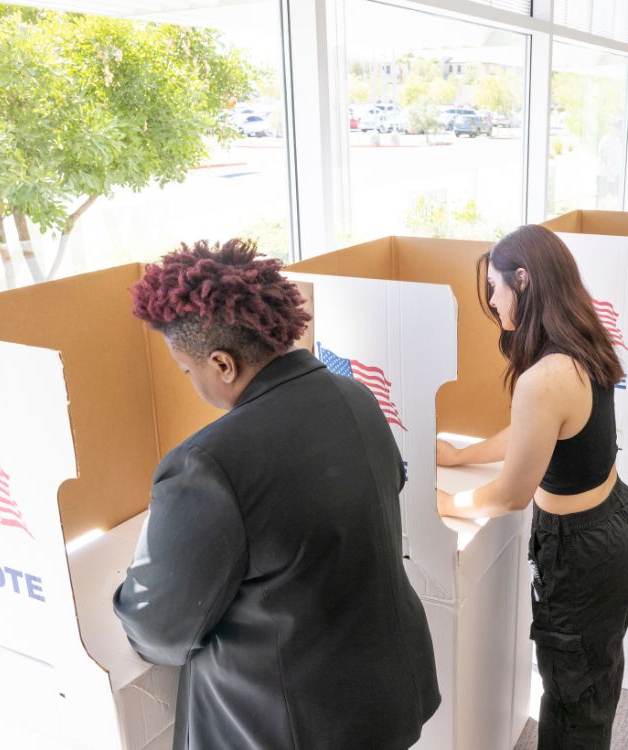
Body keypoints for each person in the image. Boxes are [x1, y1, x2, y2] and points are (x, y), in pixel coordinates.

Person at [113, 239, 440, 750]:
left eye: (186, 369)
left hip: (299, 725)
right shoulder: (355, 395)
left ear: (222, 364)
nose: (189, 380)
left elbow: (159, 631)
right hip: (388, 689)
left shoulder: (208, 464)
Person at [435, 224, 628, 749]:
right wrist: (463, 456)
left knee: (571, 699)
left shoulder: (544, 376)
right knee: (593, 675)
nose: (492, 301)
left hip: (581, 547)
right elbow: (535, 431)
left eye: (495, 287)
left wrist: (449, 503)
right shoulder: (581, 339)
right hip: (618, 517)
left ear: (523, 280)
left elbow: (511, 494)